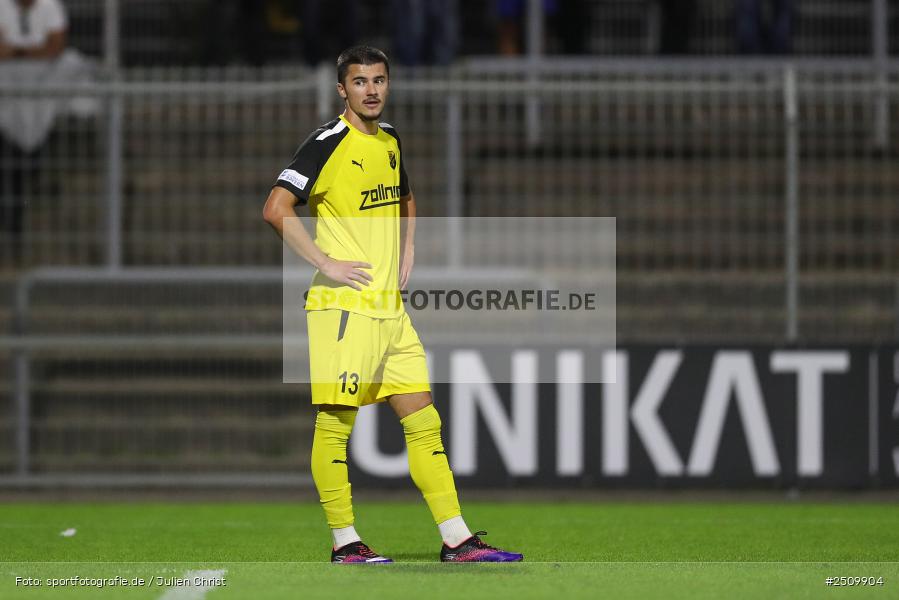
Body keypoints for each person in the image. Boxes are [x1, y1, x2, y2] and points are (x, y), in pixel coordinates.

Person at [262, 45, 523, 564]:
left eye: (379, 80)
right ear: (343, 89)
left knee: (424, 420)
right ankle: (345, 542)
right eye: (360, 82)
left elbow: (405, 197)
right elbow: (275, 208)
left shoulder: (391, 142)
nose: (372, 90)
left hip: (391, 312)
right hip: (344, 309)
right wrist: (326, 262)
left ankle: (457, 539)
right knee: (335, 427)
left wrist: (408, 248)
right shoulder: (327, 143)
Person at [0, 0, 67, 264]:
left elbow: (56, 48)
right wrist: (35, 51)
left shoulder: (50, 6)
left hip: (36, 94)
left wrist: (15, 51)